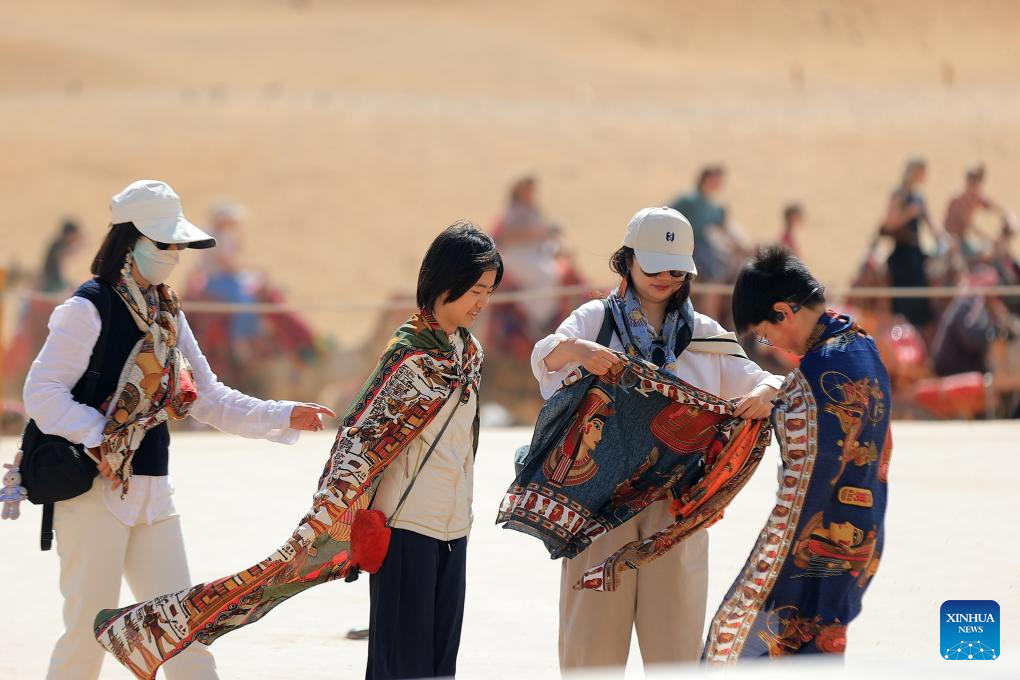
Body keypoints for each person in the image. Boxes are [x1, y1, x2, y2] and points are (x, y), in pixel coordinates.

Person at [94, 222, 502, 680]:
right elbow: (358, 440)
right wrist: (333, 518)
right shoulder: (409, 357)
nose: (482, 303)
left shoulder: (469, 355)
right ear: (446, 282)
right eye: (475, 291)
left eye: (489, 292)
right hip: (407, 530)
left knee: (442, 667)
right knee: (403, 668)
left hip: (455, 529)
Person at [24, 180, 334, 680]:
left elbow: (208, 397)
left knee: (185, 633)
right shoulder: (87, 307)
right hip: (93, 493)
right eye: (163, 243)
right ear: (130, 240)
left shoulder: (168, 312)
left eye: (177, 245)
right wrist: (102, 439)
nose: (173, 254)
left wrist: (282, 414)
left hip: (154, 495)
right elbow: (41, 393)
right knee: (85, 637)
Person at [531, 206, 782, 671]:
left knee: (676, 652)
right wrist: (580, 351)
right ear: (627, 260)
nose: (665, 278)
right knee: (591, 651)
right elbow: (545, 360)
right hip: (596, 504)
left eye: (675, 269)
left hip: (676, 510)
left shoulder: (705, 335)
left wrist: (767, 393)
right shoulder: (595, 321)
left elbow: (766, 381)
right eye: (653, 267)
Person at [703, 247, 891, 662]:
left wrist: (763, 571)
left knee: (732, 647)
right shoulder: (863, 345)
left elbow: (799, 494)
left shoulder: (816, 376)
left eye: (764, 335)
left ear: (784, 312)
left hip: (809, 557)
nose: (768, 346)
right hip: (862, 543)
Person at [879, 158, 939, 334]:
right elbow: (889, 224)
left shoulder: (920, 196)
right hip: (902, 254)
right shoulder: (899, 194)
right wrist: (908, 213)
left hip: (916, 252)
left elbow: (930, 224)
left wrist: (946, 240)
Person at [931, 266, 1020, 377]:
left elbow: (1011, 332)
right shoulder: (967, 304)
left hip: (969, 368)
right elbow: (972, 339)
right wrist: (996, 329)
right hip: (953, 371)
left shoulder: (983, 307)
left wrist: (1003, 324)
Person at [943, 164, 1005, 259]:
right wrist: (991, 239)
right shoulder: (957, 199)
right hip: (949, 241)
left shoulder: (975, 196)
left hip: (963, 241)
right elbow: (970, 225)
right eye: (970, 181)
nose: (972, 186)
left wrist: (1006, 214)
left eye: (975, 183)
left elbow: (991, 205)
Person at [41, 219, 84, 293]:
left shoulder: (62, 244)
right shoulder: (59, 245)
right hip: (52, 280)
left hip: (55, 279)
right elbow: (61, 256)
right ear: (69, 234)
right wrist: (77, 246)